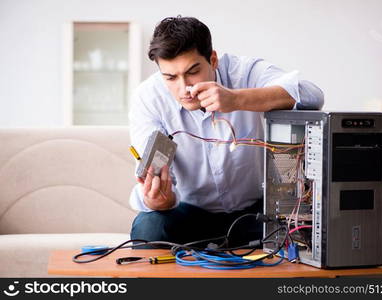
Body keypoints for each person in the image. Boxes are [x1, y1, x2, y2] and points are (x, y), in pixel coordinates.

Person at [129, 16, 323, 247]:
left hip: (256, 214)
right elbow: (155, 180)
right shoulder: (148, 98)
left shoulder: (245, 73)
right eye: (170, 77)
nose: (184, 89)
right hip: (189, 214)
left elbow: (313, 95)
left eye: (192, 71)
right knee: (148, 226)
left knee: (305, 227)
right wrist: (161, 200)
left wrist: (238, 99)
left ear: (213, 59)